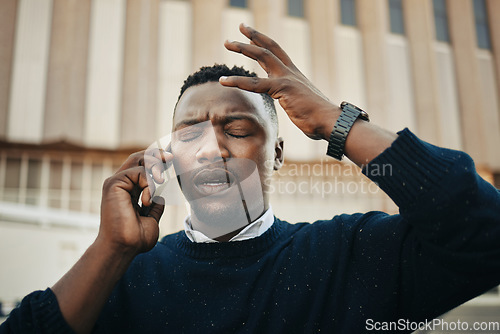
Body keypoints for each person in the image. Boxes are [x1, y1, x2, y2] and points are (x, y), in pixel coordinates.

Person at [1, 23, 500, 334]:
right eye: (189, 133)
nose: (213, 147)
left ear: (277, 153)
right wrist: (108, 251)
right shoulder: (122, 277)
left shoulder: (348, 257)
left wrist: (336, 122)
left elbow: (485, 231)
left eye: (236, 130)